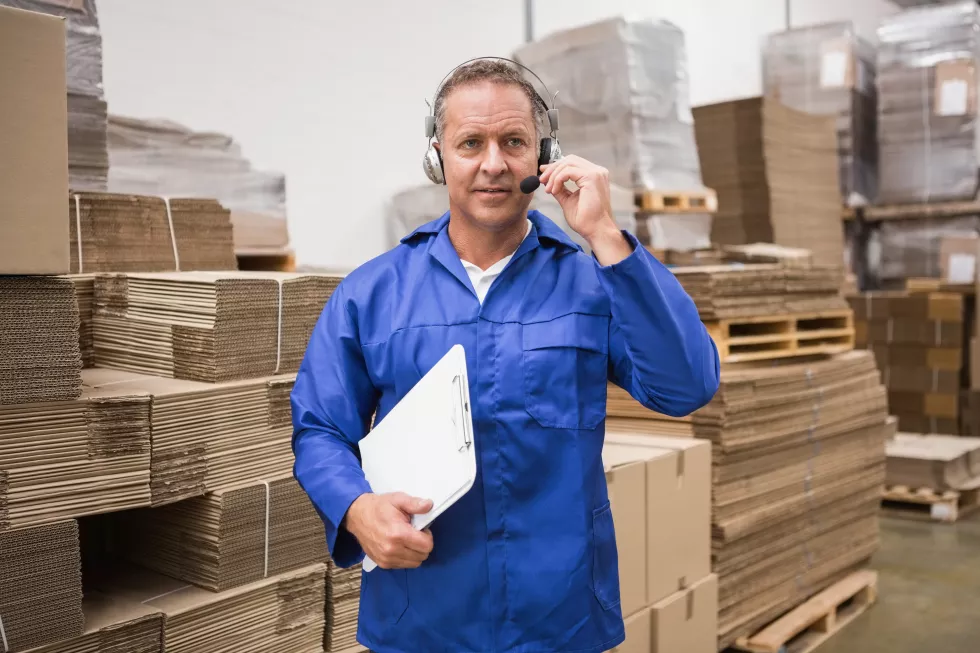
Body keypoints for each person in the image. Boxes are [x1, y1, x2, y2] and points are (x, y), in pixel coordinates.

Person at [291, 57, 720, 653]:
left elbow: (686, 386)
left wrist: (607, 238)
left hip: (560, 618)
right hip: (422, 617)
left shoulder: (594, 281)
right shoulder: (371, 294)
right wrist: (356, 508)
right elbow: (318, 430)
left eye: (513, 141)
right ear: (438, 157)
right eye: (471, 142)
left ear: (543, 156)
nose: (493, 163)